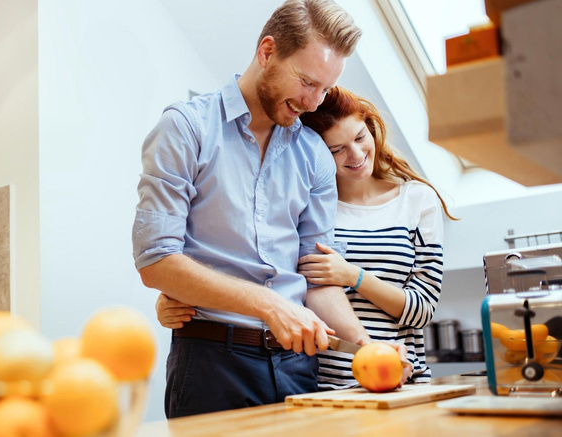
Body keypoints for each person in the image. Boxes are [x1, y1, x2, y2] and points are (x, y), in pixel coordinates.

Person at [132, 0, 382, 419]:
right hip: (211, 364)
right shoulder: (186, 128)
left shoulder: (314, 155)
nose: (314, 101)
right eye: (306, 81)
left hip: (298, 367)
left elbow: (316, 277)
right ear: (267, 52)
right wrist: (268, 305)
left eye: (324, 88)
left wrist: (365, 342)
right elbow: (156, 260)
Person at [158, 86, 456, 391]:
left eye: (359, 137)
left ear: (371, 127)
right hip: (323, 380)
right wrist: (182, 292)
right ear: (319, 154)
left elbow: (422, 309)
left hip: (398, 371)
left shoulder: (417, 200)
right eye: (337, 149)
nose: (354, 155)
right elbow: (274, 275)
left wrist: (353, 276)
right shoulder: (307, 206)